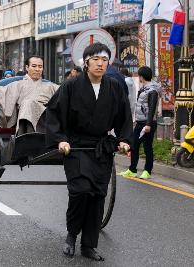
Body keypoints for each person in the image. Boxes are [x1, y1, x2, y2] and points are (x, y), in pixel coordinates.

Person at [46, 43, 133, 261]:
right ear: (85, 62)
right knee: (81, 191)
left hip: (101, 148)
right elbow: (54, 114)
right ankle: (71, 235)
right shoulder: (71, 86)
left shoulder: (113, 87)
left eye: (104, 60)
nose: (100, 64)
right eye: (96, 59)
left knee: (97, 195)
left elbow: (124, 116)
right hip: (75, 146)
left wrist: (123, 140)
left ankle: (89, 245)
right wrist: (61, 140)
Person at [0, 55, 59, 135]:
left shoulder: (51, 86)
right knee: (28, 104)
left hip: (46, 118)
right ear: (27, 67)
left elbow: (64, 92)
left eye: (40, 66)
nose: (37, 69)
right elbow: (0, 93)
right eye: (34, 66)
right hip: (24, 117)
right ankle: (24, 136)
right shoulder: (18, 84)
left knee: (31, 104)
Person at [119, 66, 161, 180]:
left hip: (148, 123)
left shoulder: (152, 90)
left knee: (147, 147)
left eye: (139, 75)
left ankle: (147, 171)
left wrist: (148, 124)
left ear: (141, 76)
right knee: (134, 145)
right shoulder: (144, 88)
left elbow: (152, 108)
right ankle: (132, 170)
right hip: (140, 122)